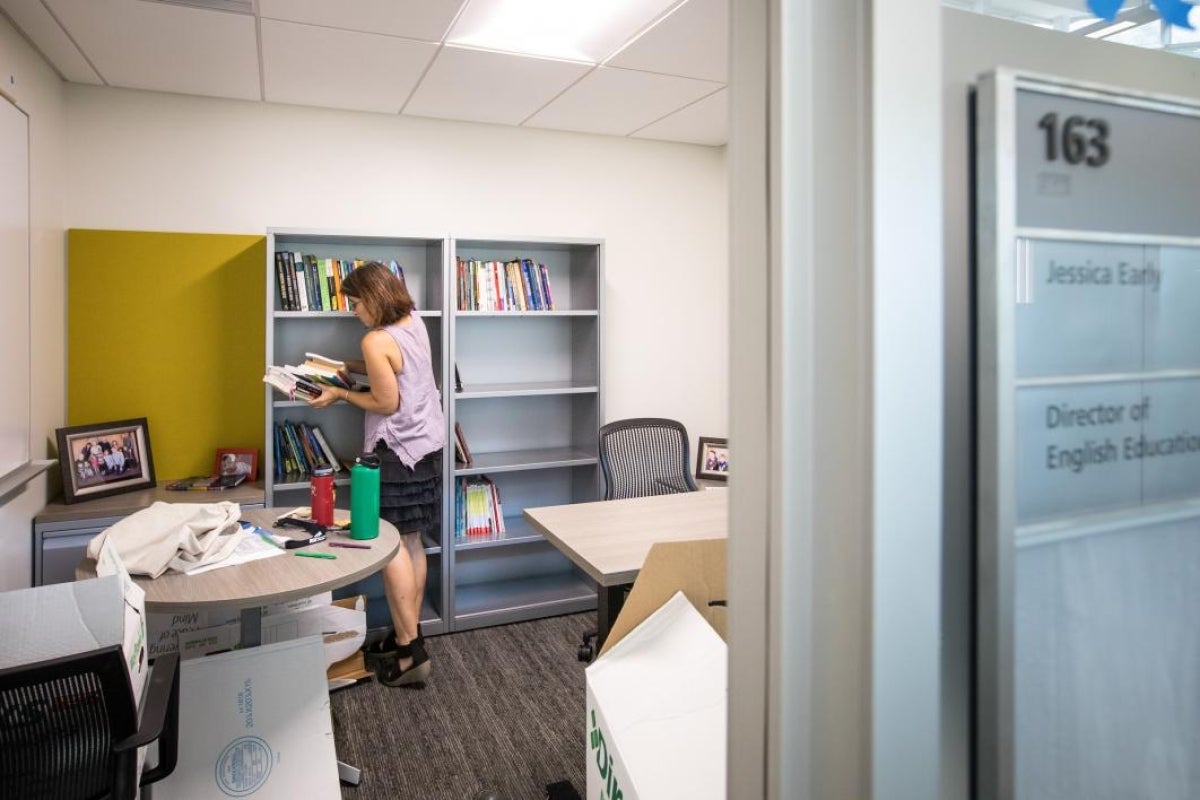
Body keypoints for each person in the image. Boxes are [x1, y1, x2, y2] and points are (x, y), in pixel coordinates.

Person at [307, 261, 444, 688]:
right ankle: (411, 639)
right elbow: (395, 367)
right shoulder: (412, 322)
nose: (353, 310)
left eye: (356, 301)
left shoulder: (375, 339)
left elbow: (385, 403)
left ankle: (409, 652)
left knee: (390, 547)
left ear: (375, 298)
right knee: (411, 541)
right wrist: (343, 366)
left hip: (396, 454)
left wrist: (339, 392)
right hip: (427, 448)